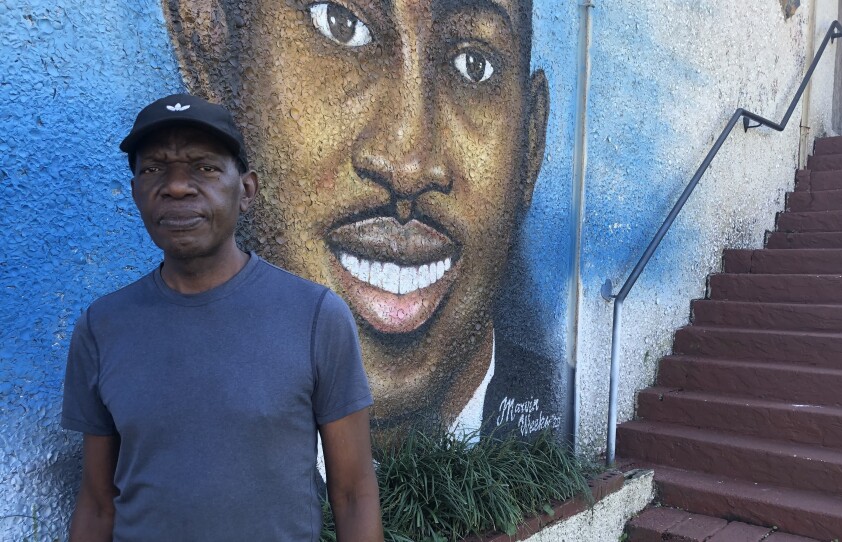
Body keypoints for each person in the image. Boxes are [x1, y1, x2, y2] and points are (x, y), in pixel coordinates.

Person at [162, 0, 559, 438]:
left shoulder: (555, 410)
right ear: (208, 45)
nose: (408, 164)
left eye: (474, 65)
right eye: (341, 25)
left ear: (531, 140)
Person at [61, 94, 383, 541]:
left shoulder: (314, 317)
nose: (176, 186)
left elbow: (353, 493)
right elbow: (97, 503)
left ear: (246, 190)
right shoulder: (102, 329)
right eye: (153, 169)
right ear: (135, 191)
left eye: (205, 167)